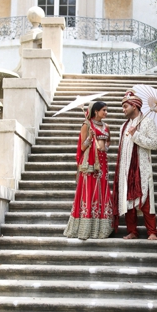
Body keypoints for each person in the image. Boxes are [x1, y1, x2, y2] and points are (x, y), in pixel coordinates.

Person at [113, 89, 157, 240]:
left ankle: (152, 232)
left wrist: (136, 135)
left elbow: (154, 143)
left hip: (142, 168)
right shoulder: (123, 126)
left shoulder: (147, 122)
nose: (123, 109)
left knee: (145, 200)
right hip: (126, 169)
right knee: (128, 201)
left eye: (125, 106)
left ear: (134, 106)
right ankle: (132, 231)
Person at [64, 101, 113, 240]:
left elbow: (108, 142)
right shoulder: (86, 125)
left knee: (102, 191)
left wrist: (104, 148)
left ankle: (102, 228)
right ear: (96, 111)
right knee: (89, 191)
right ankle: (85, 228)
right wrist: (90, 138)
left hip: (103, 163)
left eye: (106, 110)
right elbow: (82, 148)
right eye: (104, 110)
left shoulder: (106, 126)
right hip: (90, 164)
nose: (106, 113)